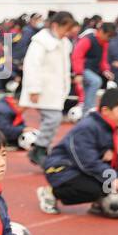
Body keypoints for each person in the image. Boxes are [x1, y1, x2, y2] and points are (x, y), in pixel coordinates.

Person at [37, 87, 118, 215]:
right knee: (94, 189)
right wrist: (113, 178)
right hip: (61, 168)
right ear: (106, 111)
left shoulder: (108, 125)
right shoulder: (87, 127)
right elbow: (87, 161)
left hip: (78, 165)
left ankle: (101, 201)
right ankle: (51, 193)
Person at [18, 11, 79, 167]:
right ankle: (39, 149)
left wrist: (66, 86)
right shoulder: (40, 42)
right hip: (43, 89)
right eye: (65, 29)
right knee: (53, 118)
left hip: (55, 89)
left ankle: (42, 148)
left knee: (53, 119)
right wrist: (34, 89)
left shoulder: (64, 43)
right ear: (55, 25)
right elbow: (32, 65)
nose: (67, 33)